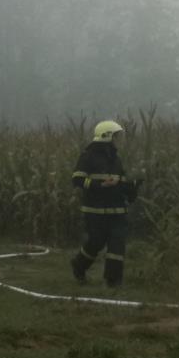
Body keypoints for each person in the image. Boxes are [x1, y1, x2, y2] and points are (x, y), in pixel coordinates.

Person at [71, 120, 141, 287]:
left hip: (117, 211)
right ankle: (79, 265)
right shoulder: (88, 156)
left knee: (117, 245)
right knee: (95, 243)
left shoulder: (116, 158)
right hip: (95, 211)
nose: (119, 140)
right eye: (116, 136)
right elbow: (77, 179)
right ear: (106, 136)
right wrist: (99, 185)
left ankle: (113, 281)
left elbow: (121, 182)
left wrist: (132, 188)